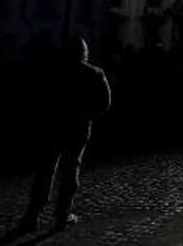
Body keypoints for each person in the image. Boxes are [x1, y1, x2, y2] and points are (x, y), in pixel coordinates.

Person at [19, 37, 112, 233]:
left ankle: (33, 215)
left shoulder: (53, 71)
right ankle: (62, 214)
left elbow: (39, 97)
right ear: (85, 53)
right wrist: (87, 115)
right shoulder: (94, 73)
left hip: (54, 126)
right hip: (78, 128)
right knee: (70, 172)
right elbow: (105, 102)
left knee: (46, 171)